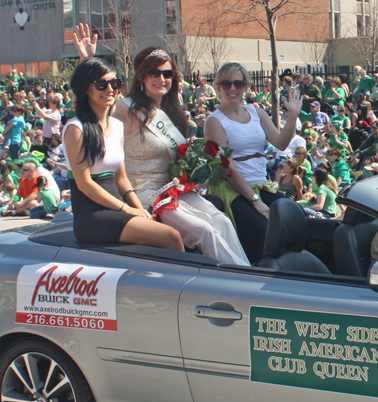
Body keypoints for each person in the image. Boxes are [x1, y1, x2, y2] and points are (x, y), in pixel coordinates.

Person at [74, 23, 248, 265]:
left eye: (167, 74)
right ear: (142, 77)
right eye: (154, 73)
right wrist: (88, 61)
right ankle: (239, 284)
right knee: (204, 231)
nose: (161, 79)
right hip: (145, 194)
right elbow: (96, 105)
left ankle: (247, 274)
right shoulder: (126, 108)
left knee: (222, 221)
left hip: (173, 189)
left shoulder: (167, 111)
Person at [63, 57, 184, 251]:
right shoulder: (76, 129)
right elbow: (85, 184)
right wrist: (127, 210)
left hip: (118, 207)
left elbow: (122, 180)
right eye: (101, 84)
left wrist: (141, 210)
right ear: (86, 88)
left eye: (115, 83)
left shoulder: (117, 126)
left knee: (167, 229)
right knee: (171, 237)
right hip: (92, 216)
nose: (110, 90)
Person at [205, 62, 302, 264]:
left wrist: (292, 116)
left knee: (294, 218)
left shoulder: (256, 112)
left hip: (259, 183)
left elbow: (281, 142)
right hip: (233, 189)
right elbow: (226, 167)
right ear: (218, 86)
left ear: (246, 86)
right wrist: (254, 200)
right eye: (227, 83)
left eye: (238, 84)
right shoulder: (215, 121)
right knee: (265, 231)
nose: (233, 89)